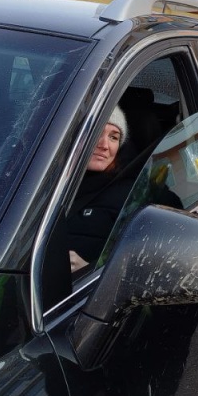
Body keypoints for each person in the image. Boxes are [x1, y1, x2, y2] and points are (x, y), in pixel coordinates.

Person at [66, 105, 135, 273]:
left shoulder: (133, 193)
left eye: (114, 137)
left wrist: (88, 270)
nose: (104, 145)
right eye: (97, 132)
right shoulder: (47, 183)